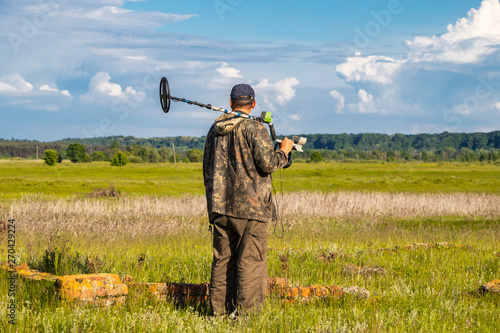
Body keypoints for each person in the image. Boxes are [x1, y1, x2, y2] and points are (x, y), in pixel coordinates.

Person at [203, 83, 294, 317]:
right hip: (252, 210)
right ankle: (247, 318)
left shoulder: (214, 130)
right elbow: (268, 164)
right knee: (251, 263)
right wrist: (284, 151)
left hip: (220, 206)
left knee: (223, 262)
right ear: (253, 104)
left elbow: (207, 168)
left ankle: (219, 315)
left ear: (231, 102)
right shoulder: (255, 128)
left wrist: (212, 205)